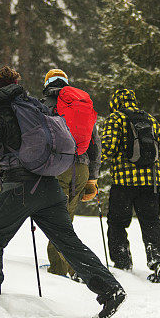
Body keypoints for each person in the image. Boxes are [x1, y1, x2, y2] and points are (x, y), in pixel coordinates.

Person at [0, 66, 126, 318]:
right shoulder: (34, 107)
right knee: (68, 242)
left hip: (20, 188)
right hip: (49, 187)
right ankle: (110, 289)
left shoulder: (1, 116)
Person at [101, 88, 160, 283]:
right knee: (151, 222)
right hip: (151, 183)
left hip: (124, 183)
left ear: (115, 103)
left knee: (117, 223)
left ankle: (122, 263)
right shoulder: (150, 119)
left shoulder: (115, 118)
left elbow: (107, 149)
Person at [39, 69, 101, 281]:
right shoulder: (80, 104)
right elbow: (95, 145)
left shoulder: (44, 105)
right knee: (67, 219)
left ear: (47, 83)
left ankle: (61, 270)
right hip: (81, 168)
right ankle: (76, 267)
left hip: (57, 168)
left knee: (56, 220)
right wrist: (92, 178)